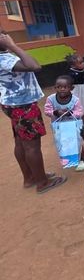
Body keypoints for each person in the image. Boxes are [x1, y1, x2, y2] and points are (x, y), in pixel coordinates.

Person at [0, 33, 67, 193]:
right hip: (23, 106)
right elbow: (35, 66)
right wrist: (13, 46)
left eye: (4, 33)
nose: (5, 36)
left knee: (20, 141)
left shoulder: (4, 56)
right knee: (32, 145)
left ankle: (30, 177)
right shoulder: (4, 59)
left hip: (11, 103)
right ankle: (42, 182)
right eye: (2, 35)